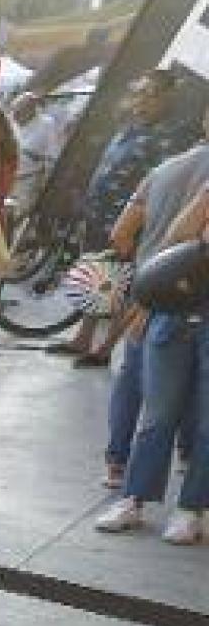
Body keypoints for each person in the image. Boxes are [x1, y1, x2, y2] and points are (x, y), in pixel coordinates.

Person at [53, 70, 198, 367]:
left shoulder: (171, 138)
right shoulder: (130, 129)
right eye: (140, 93)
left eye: (151, 94)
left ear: (169, 97)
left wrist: (138, 229)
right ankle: (83, 338)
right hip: (102, 218)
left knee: (128, 287)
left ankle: (105, 349)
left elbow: (158, 188)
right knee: (100, 280)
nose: (142, 101)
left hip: (134, 226)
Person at [98, 106, 209, 488]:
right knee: (193, 386)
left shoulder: (164, 169)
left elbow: (120, 233)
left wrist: (143, 264)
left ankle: (117, 464)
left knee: (132, 377)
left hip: (149, 287)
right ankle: (188, 460)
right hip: (193, 298)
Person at [93, 178, 209, 545]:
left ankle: (191, 508)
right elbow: (177, 238)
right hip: (177, 309)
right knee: (157, 413)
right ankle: (134, 498)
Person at [10, 93, 61, 218]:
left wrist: (35, 156)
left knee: (18, 217)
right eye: (14, 112)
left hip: (28, 182)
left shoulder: (47, 124)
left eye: (19, 112)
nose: (15, 116)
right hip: (9, 179)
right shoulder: (12, 122)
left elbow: (53, 156)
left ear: (31, 110)